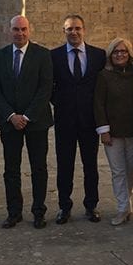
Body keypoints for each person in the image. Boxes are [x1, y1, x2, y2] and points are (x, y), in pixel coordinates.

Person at [0, 15, 53, 229]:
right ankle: (14, 212)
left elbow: (45, 88)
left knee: (39, 168)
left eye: (24, 29)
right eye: (16, 29)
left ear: (30, 31)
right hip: (10, 123)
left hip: (36, 122)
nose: (20, 33)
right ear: (10, 31)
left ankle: (38, 211)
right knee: (11, 169)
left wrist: (26, 116)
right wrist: (11, 116)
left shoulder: (42, 55)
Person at [50, 14, 106, 224]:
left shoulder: (98, 55)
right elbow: (49, 86)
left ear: (84, 30)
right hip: (64, 120)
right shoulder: (53, 56)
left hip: (89, 120)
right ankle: (64, 207)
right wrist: (60, 103)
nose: (73, 32)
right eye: (69, 29)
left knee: (90, 165)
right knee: (65, 165)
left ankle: (91, 206)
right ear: (63, 32)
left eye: (77, 28)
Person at [94, 38, 133, 225]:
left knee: (130, 170)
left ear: (129, 54)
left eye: (123, 51)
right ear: (110, 55)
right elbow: (98, 104)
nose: (119, 54)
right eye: (115, 52)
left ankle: (126, 201)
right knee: (118, 171)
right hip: (112, 132)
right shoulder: (104, 76)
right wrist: (103, 130)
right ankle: (122, 207)